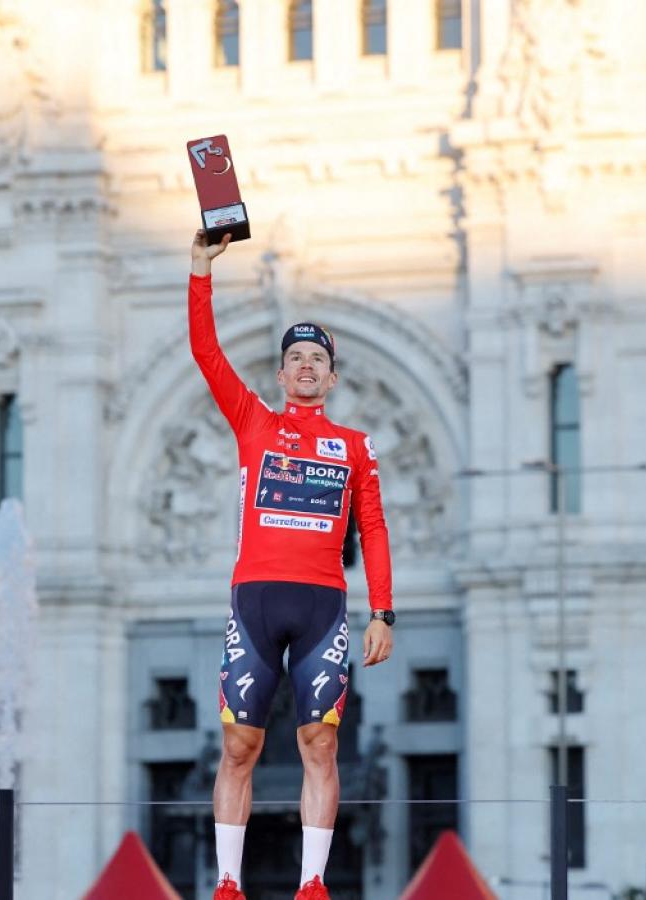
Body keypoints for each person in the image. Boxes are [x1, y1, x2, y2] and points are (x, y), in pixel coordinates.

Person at [188, 229, 395, 900]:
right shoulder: (252, 421)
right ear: (280, 375)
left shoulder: (355, 447)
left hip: (322, 610)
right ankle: (227, 881)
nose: (305, 367)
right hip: (253, 604)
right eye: (295, 358)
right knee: (239, 748)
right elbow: (204, 350)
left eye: (317, 359)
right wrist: (200, 269)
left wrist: (382, 612)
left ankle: (312, 882)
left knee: (321, 746)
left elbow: (376, 528)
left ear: (332, 377)